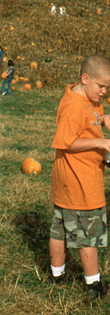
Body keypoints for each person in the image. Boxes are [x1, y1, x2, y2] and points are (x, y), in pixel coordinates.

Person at [49, 55, 110, 299]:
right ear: (85, 79)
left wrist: (103, 119)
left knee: (59, 231)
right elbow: (66, 142)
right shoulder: (75, 105)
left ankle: (57, 274)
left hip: (67, 182)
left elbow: (89, 124)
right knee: (88, 236)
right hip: (81, 183)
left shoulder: (88, 99)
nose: (105, 92)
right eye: (101, 86)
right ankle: (94, 284)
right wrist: (102, 142)